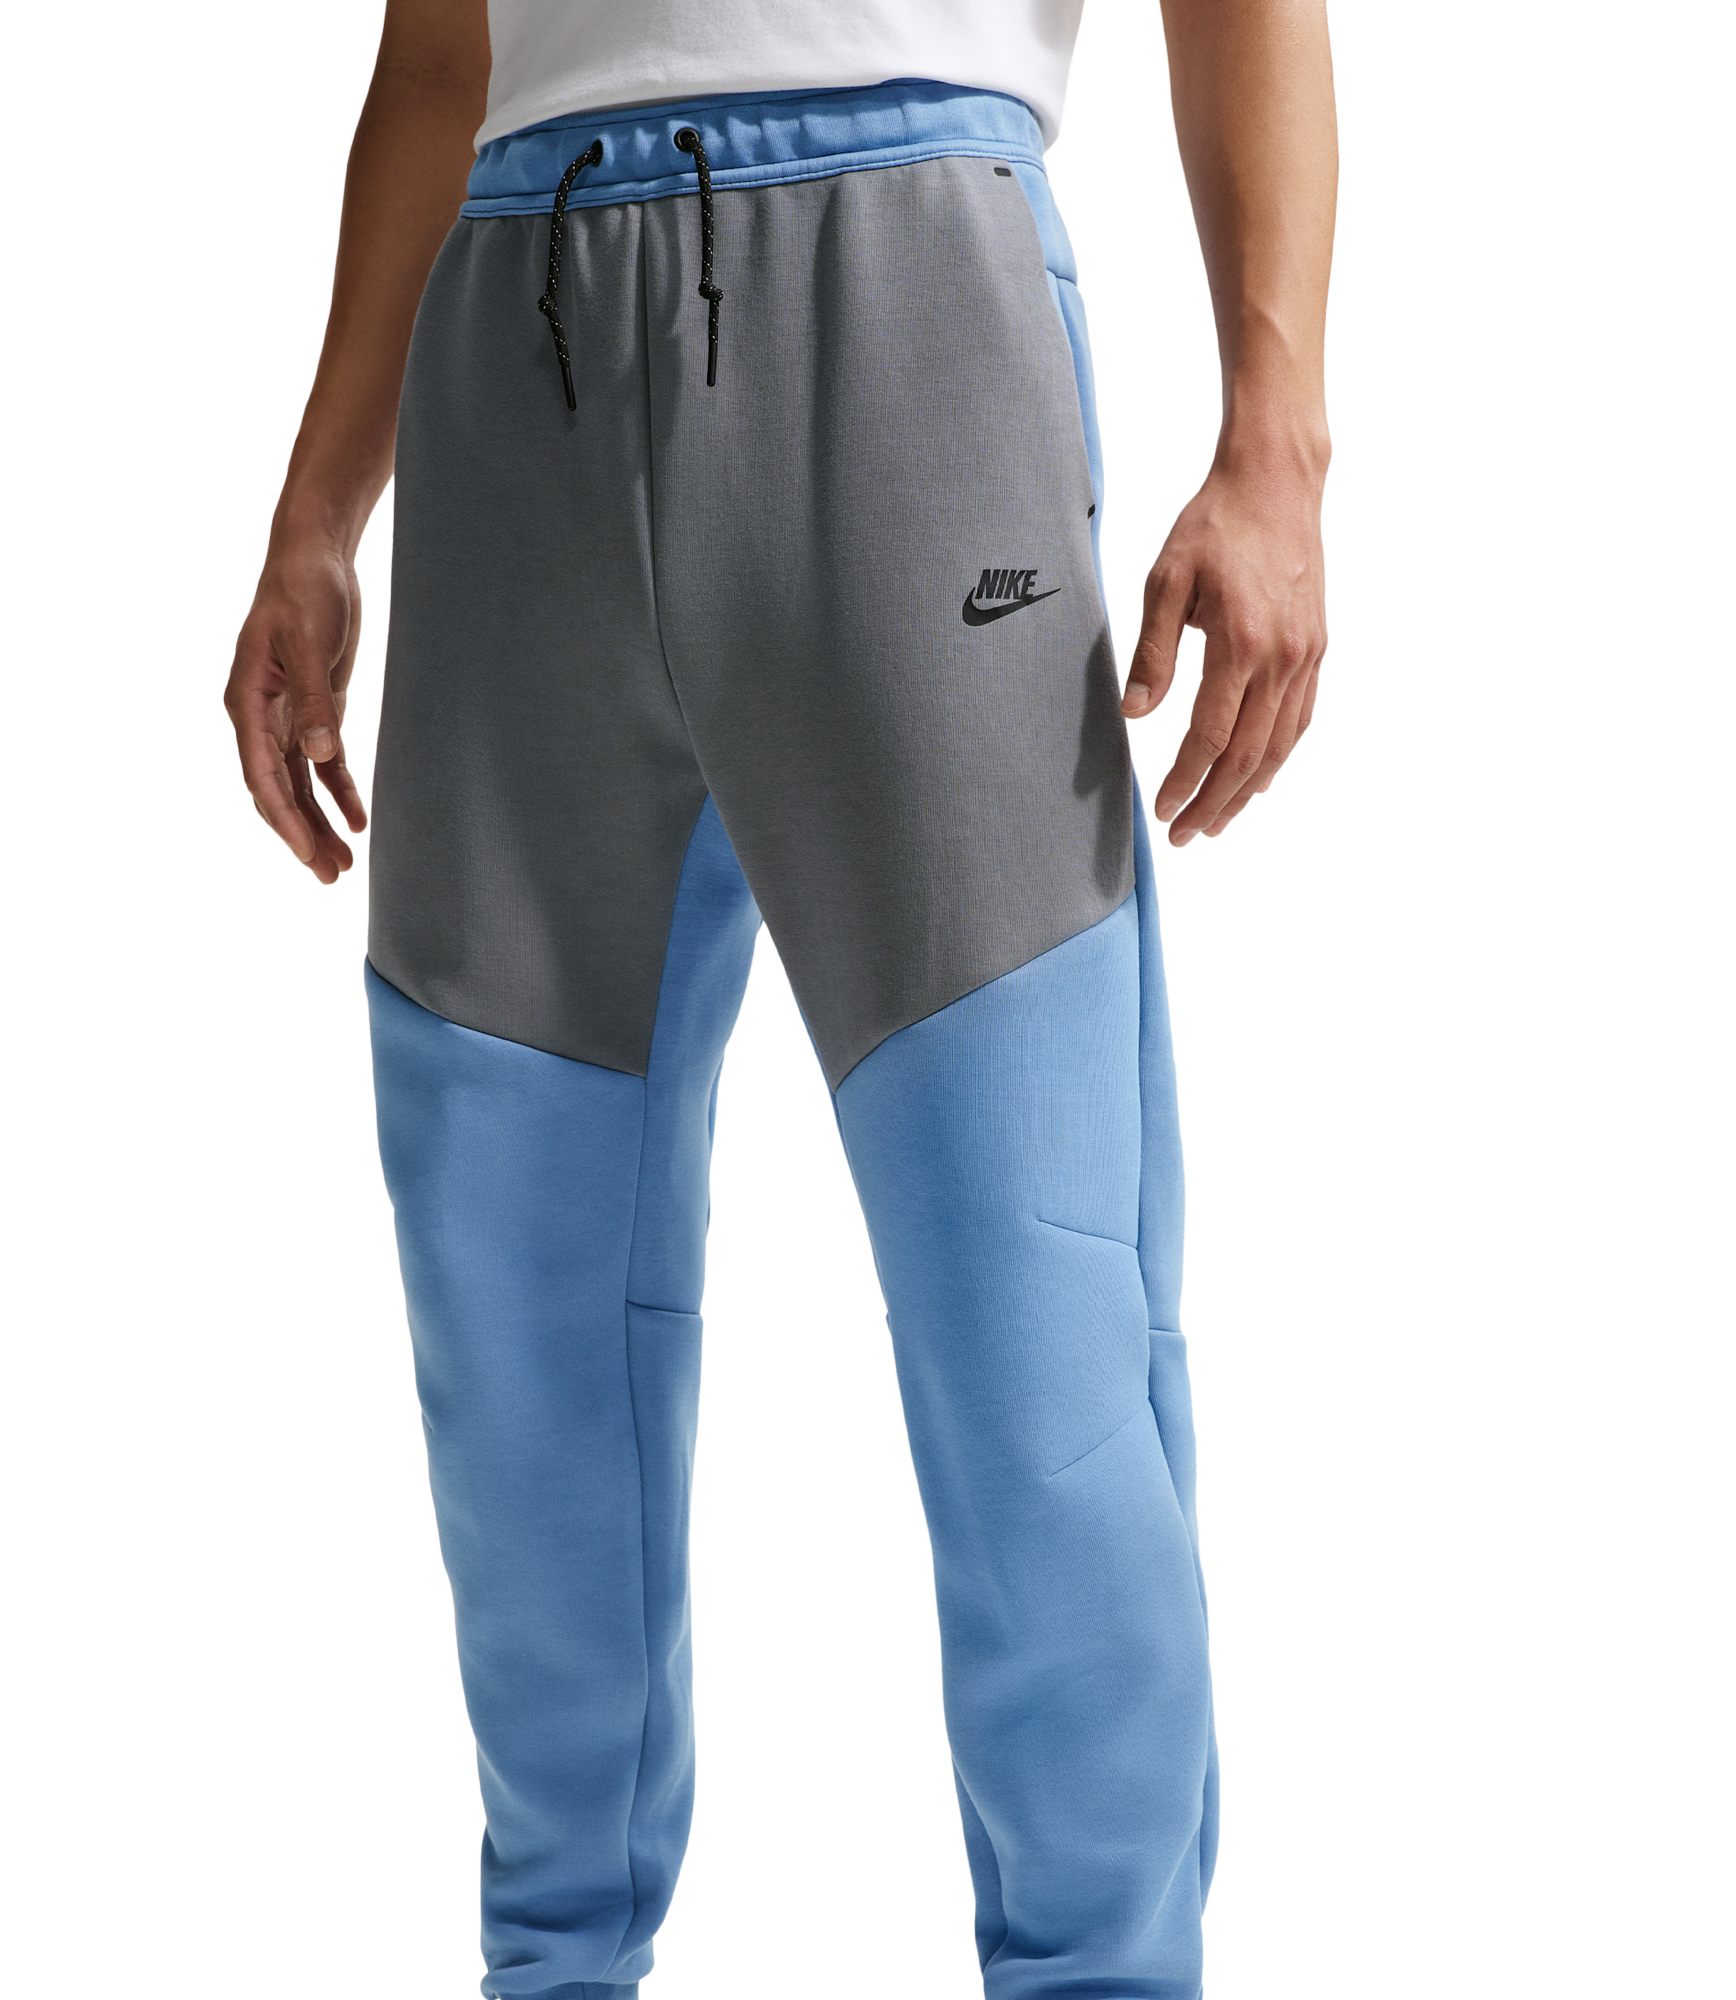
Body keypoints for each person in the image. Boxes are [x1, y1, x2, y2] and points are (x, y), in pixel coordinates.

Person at [224, 2, 1335, 1993]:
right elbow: (436, 49)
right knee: (514, 1336)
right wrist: (315, 516)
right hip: (512, 344)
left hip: (907, 314)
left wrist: (1276, 440)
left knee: (1035, 1333)